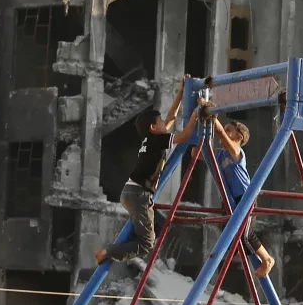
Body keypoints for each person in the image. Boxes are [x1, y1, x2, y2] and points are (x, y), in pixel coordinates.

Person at [95, 77, 204, 265]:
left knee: (142, 233)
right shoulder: (158, 140)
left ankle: (114, 250)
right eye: (160, 122)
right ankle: (107, 252)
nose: (165, 123)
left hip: (132, 191)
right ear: (154, 128)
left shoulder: (151, 139)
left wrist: (180, 92)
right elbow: (186, 135)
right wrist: (197, 111)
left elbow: (171, 116)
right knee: (146, 243)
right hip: (139, 193)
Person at [211, 117, 276, 278]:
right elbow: (198, 154)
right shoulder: (220, 155)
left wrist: (211, 118)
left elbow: (221, 135)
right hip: (228, 200)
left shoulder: (236, 152)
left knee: (245, 234)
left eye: (229, 131)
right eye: (224, 129)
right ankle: (235, 257)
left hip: (244, 197)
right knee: (228, 232)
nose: (224, 133)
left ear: (239, 138)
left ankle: (267, 259)